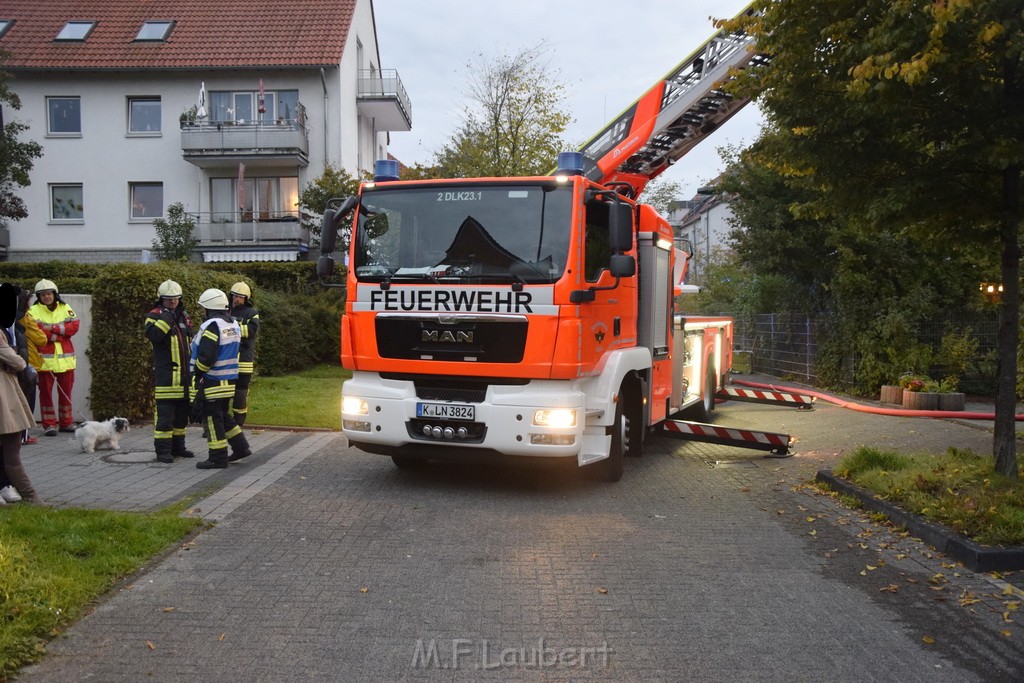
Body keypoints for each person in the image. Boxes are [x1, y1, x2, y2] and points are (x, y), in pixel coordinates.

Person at [190, 288, 252, 469]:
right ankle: (241, 448)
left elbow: (207, 356)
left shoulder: (213, 326)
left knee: (211, 418)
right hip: (229, 379)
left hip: (213, 379)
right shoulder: (232, 323)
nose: (202, 312)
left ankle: (218, 457)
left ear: (210, 308)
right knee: (224, 416)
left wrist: (199, 373)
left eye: (203, 309)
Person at [144, 280, 195, 464]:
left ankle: (178, 448)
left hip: (184, 376)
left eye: (175, 299)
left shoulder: (184, 316)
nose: (172, 302)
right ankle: (163, 451)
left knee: (181, 416)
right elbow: (154, 336)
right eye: (168, 299)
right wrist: (166, 317)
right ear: (161, 299)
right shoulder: (154, 315)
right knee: (165, 417)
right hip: (166, 376)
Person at [0, 282, 40, 504]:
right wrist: (17, 363)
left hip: (11, 384)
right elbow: (15, 358)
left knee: (11, 442)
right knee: (12, 442)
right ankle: (29, 495)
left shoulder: (13, 326)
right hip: (5, 388)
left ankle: (11, 487)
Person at [28, 279, 80, 436]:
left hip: (66, 361)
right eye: (43, 295)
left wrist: (54, 328)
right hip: (45, 362)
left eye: (49, 294)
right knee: (46, 395)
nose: (46, 297)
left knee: (66, 393)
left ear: (54, 294)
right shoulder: (33, 310)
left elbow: (75, 326)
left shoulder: (65, 307)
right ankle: (49, 425)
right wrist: (59, 335)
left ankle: (66, 423)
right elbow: (37, 332)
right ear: (38, 296)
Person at [229, 282, 260, 428]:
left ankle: (238, 422)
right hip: (227, 361)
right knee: (223, 392)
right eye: (235, 296)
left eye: (240, 297)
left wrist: (230, 329)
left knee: (240, 393)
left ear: (246, 298)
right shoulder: (226, 311)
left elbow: (250, 332)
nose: (237, 299)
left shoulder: (252, 313)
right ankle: (220, 422)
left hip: (244, 360)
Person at [16, 286, 44, 445]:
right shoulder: (25, 318)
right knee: (27, 399)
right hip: (27, 362)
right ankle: (24, 436)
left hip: (16, 363)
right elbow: (41, 339)